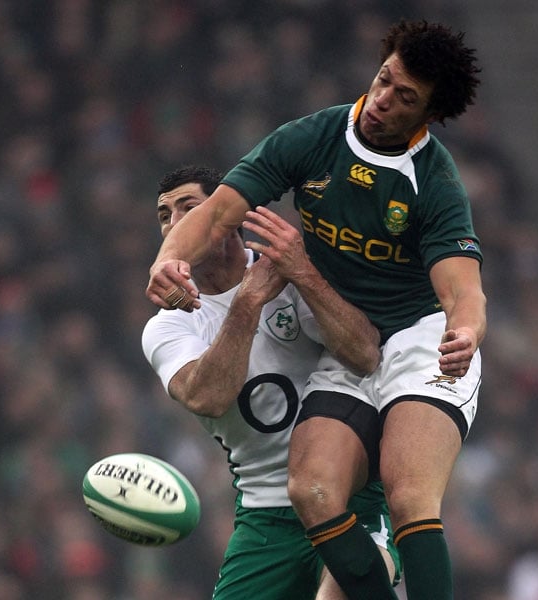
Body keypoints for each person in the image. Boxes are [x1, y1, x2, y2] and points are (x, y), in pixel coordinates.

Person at [146, 20, 486, 600]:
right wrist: (167, 260)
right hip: (270, 501)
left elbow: (457, 291)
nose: (382, 101)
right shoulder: (312, 138)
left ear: (428, 114)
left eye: (405, 97)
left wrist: (468, 329)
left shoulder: (430, 181)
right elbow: (221, 209)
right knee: (312, 491)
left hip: (419, 338)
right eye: (384, 80)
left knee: (407, 495)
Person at [141, 166, 400, 599]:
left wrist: (305, 275)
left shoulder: (292, 270)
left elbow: (364, 354)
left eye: (189, 207)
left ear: (226, 214)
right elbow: (208, 396)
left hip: (346, 496)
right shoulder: (166, 326)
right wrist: (247, 300)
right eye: (165, 216)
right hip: (264, 517)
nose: (175, 223)